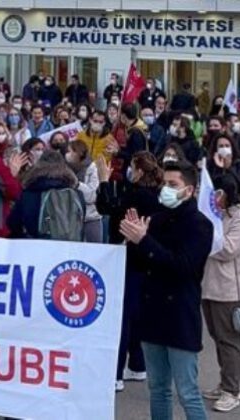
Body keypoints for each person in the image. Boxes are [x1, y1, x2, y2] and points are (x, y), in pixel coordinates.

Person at [119, 160, 213, 420]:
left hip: (180, 315)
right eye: (164, 183)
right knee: (158, 389)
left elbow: (183, 267)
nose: (166, 189)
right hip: (152, 312)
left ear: (190, 190)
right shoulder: (156, 219)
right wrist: (133, 242)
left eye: (173, 185)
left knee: (188, 391)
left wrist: (144, 241)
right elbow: (141, 263)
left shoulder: (200, 225)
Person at [96, 151, 164, 391]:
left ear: (139, 171)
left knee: (122, 316)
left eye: (132, 168)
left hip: (129, 258)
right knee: (136, 314)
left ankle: (115, 373)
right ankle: (137, 364)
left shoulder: (137, 196)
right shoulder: (156, 194)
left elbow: (108, 208)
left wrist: (103, 180)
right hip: (148, 260)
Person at [201, 173, 240, 413]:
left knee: (229, 340)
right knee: (217, 337)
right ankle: (225, 383)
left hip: (229, 289)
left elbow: (228, 249)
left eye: (217, 193)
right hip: (209, 286)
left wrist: (204, 238)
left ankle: (232, 390)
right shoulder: (217, 215)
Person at [7, 150, 83, 239]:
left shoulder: (28, 194)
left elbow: (13, 223)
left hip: (37, 246)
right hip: (69, 248)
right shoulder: (77, 195)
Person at [65, 140, 102, 242]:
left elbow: (92, 196)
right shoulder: (63, 169)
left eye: (70, 151)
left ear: (78, 153)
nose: (67, 154)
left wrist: (77, 185)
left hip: (90, 217)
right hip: (69, 218)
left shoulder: (92, 168)